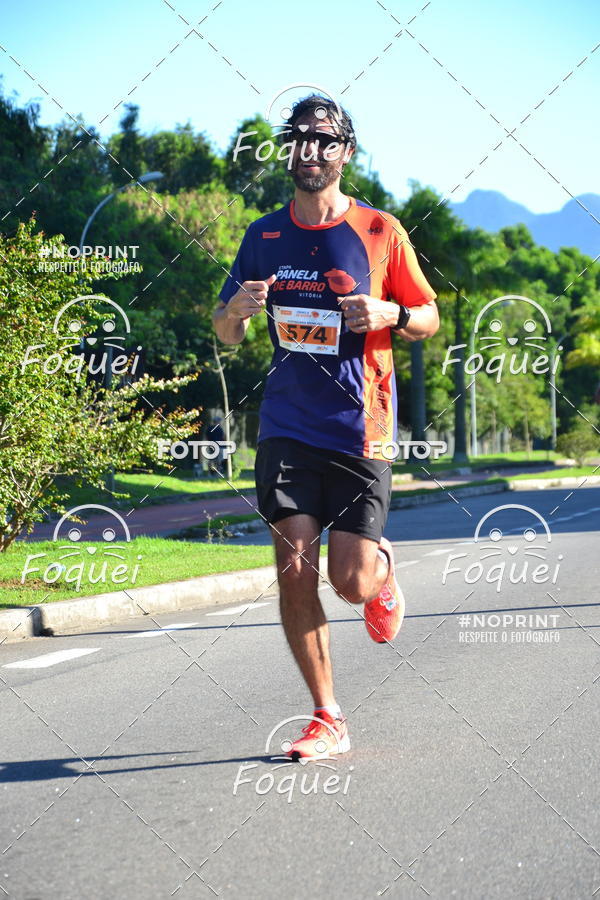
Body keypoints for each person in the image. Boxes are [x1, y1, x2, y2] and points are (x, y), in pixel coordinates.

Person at [213, 95, 439, 759]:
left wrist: (390, 313)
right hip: (286, 423)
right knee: (292, 566)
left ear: (345, 153)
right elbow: (226, 333)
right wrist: (237, 307)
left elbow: (427, 316)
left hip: (358, 426)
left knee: (350, 581)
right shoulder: (263, 235)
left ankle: (382, 570)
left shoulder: (379, 230)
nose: (310, 151)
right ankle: (327, 715)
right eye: (300, 140)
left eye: (324, 141)